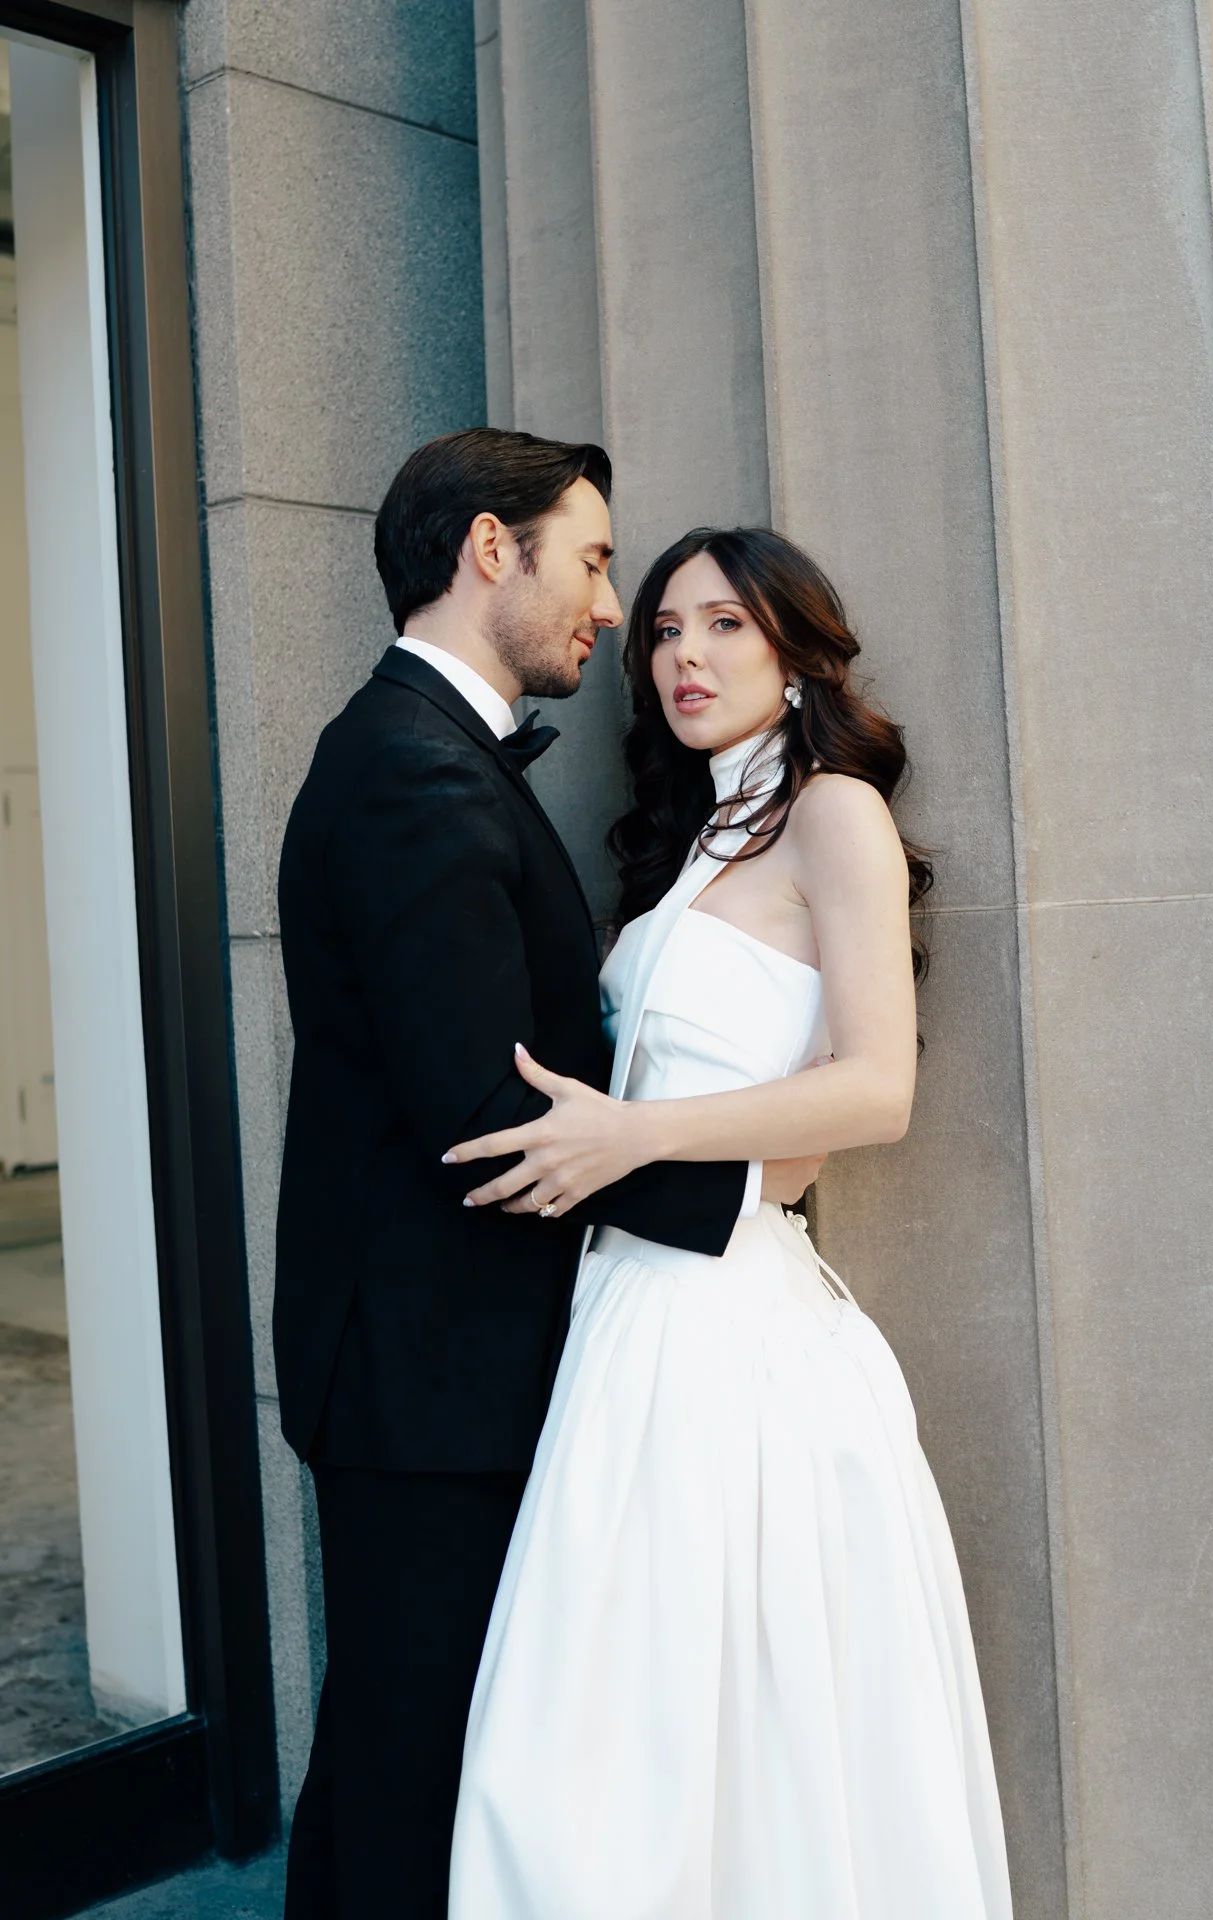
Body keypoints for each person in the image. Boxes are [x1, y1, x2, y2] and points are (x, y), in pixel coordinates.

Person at [274, 433, 820, 1919]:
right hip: (427, 1372)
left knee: (416, 1748)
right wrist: (739, 1192)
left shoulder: (429, 752)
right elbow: (485, 1115)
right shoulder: (406, 768)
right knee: (417, 1760)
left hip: (462, 1359)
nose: (608, 609)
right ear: (491, 552)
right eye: (592, 565)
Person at [446, 526, 1014, 1918]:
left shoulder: (835, 814)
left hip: (731, 1330)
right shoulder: (692, 840)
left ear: (796, 651)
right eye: (663, 631)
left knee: (740, 1745)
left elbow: (873, 1090)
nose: (685, 657)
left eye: (727, 629)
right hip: (625, 1313)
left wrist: (626, 1134)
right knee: (602, 1747)